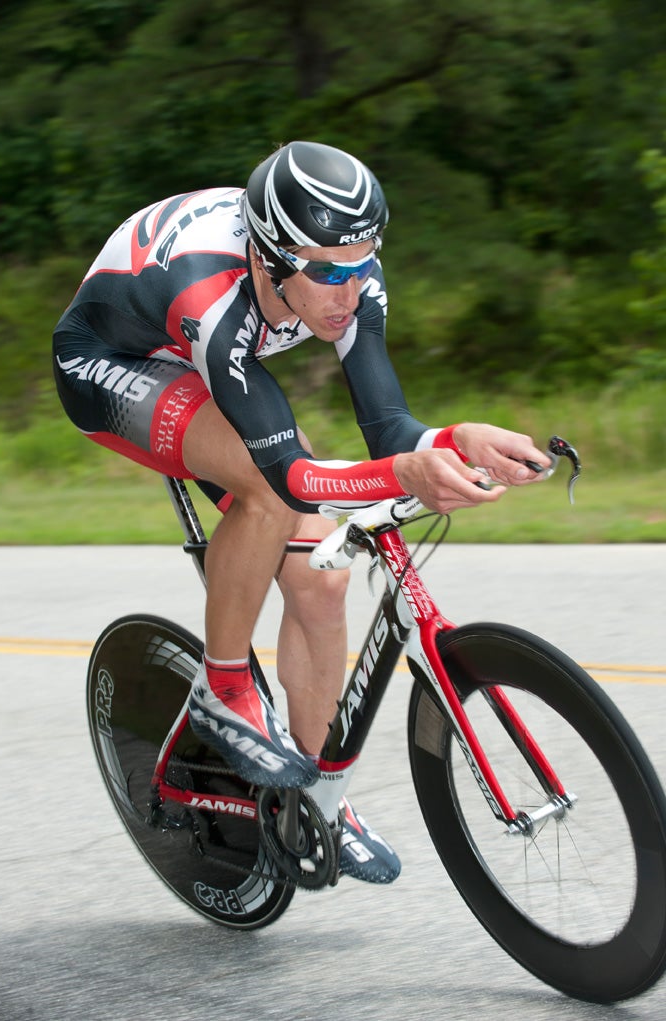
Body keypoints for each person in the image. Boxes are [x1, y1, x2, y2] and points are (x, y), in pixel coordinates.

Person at [53, 140, 551, 884]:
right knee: (265, 487)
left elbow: (389, 430)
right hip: (113, 363)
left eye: (362, 262)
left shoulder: (344, 272)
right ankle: (224, 691)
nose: (348, 290)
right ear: (272, 257)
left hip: (208, 355)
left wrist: (455, 438)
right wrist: (401, 471)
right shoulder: (214, 289)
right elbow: (289, 476)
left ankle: (319, 795)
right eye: (327, 270)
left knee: (323, 581)